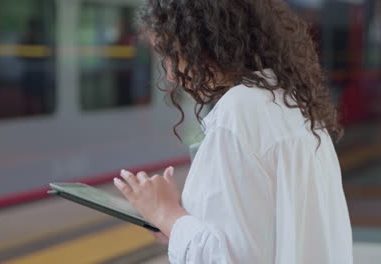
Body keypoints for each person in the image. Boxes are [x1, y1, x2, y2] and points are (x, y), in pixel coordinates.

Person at [113, 0, 353, 263]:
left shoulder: (240, 112)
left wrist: (165, 214)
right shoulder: (291, 102)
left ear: (202, 44)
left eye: (171, 55)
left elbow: (227, 258)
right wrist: (178, 226)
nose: (170, 74)